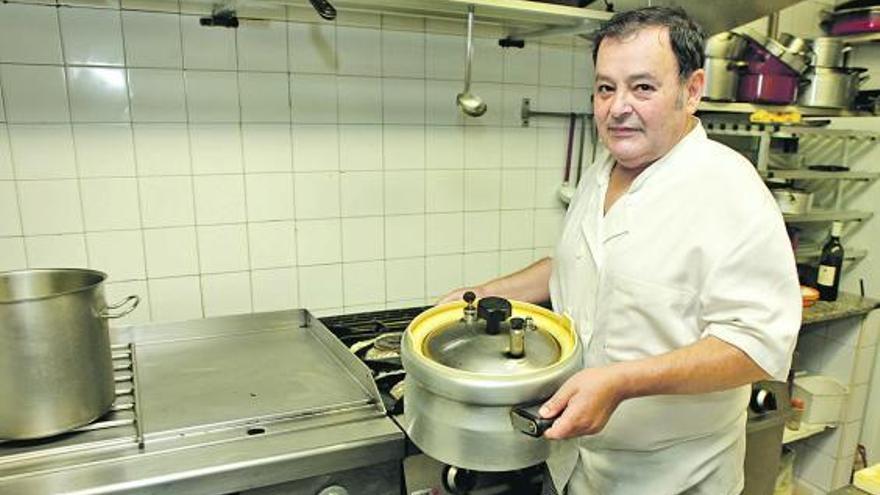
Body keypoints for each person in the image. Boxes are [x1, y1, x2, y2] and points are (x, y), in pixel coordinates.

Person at [440, 6, 801, 494]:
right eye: (606, 87)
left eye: (643, 87)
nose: (617, 107)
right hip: (576, 463)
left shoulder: (729, 191)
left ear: (692, 90)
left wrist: (621, 381)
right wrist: (482, 292)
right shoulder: (602, 170)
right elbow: (578, 266)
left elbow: (758, 345)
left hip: (673, 476)